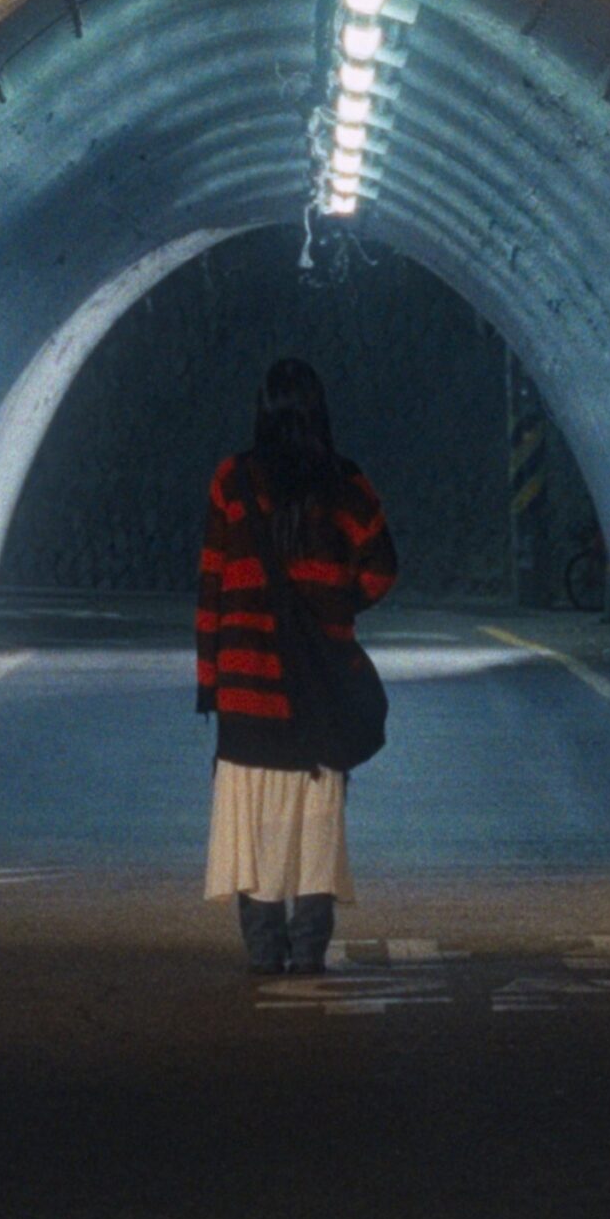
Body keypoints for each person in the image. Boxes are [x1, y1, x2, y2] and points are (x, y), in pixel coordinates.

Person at [195, 357, 398, 975]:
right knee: (316, 819)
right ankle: (309, 948)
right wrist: (333, 607)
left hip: (246, 685)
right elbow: (381, 571)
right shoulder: (345, 484)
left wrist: (211, 684)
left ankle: (263, 950)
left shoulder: (231, 482)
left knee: (252, 818)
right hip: (318, 685)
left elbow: (211, 588)